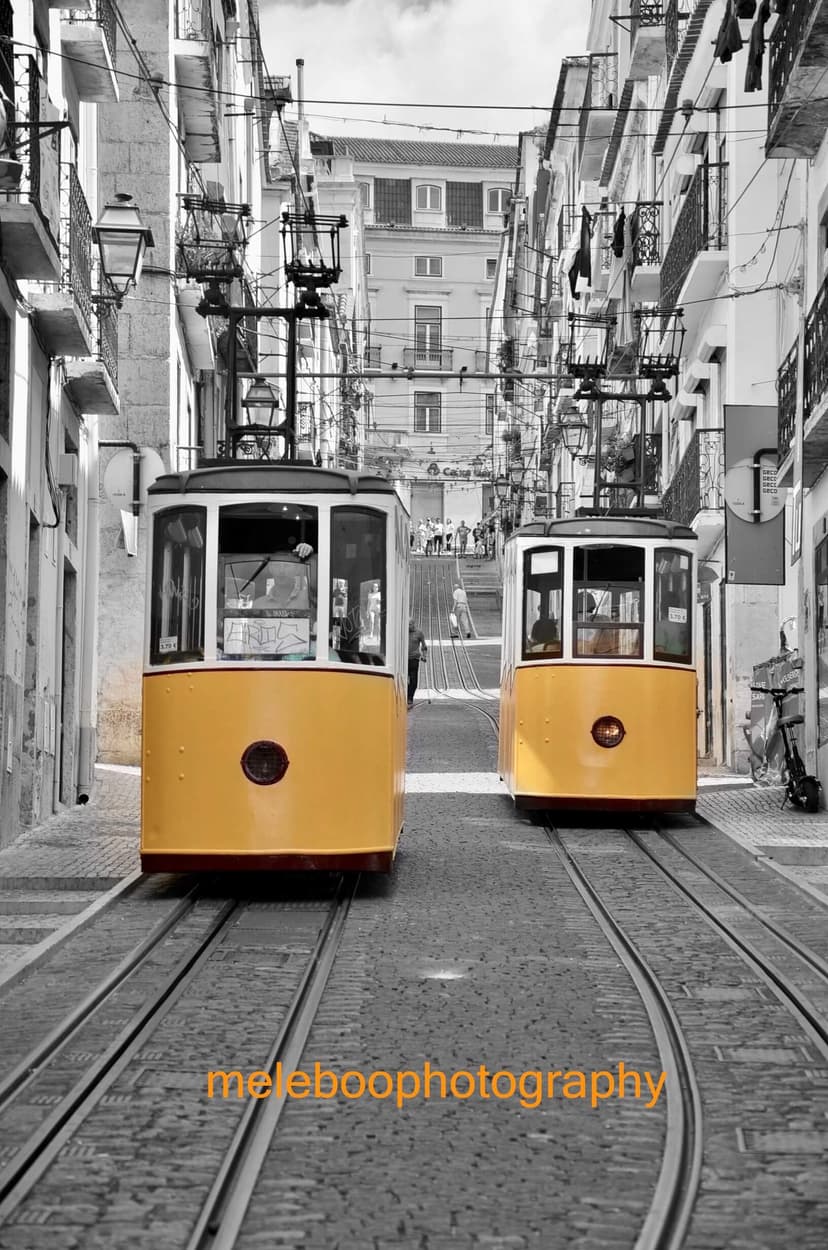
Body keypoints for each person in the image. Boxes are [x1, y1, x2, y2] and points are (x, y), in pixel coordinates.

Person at [407, 616, 428, 708]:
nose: (408, 626)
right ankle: (406, 695)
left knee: (413, 680)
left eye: (410, 624)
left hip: (414, 659)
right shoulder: (403, 631)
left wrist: (424, 655)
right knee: (404, 679)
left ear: (413, 624)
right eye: (407, 624)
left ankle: (410, 696)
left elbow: (424, 646)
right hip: (403, 659)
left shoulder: (419, 633)